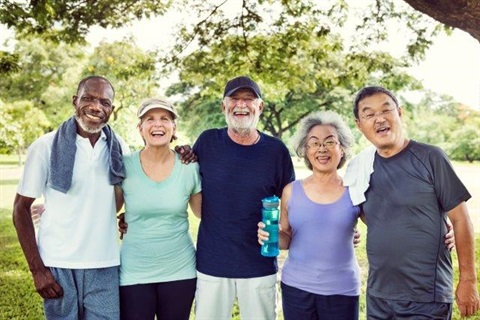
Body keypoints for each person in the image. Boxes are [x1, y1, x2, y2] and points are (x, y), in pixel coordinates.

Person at [350, 85, 480, 319]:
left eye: (386, 110)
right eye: (369, 114)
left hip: (426, 298)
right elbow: (366, 216)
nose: (379, 119)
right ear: (359, 125)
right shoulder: (360, 168)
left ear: (400, 113)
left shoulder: (430, 157)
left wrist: (468, 281)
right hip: (379, 296)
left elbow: (460, 219)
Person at [13, 75, 127, 319]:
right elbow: (20, 209)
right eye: (88, 98)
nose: (96, 107)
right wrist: (37, 270)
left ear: (112, 109)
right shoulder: (45, 146)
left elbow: (120, 199)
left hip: (105, 264)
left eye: (104, 102)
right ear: (75, 101)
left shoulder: (120, 148)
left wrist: (128, 216)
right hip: (58, 265)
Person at [192, 76, 296, 319]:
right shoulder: (207, 142)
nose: (241, 105)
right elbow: (181, 180)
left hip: (260, 263)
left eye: (249, 99)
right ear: (224, 106)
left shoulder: (276, 150)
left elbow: (294, 201)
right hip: (212, 263)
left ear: (260, 107)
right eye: (234, 99)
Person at [258, 110, 362, 319]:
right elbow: (287, 237)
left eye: (330, 142)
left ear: (341, 149)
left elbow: (382, 224)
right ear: (306, 150)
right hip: (296, 288)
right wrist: (272, 236)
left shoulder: (356, 190)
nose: (322, 149)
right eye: (314, 143)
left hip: (342, 290)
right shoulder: (290, 191)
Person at [115, 98, 201, 320]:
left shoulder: (189, 167)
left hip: (180, 269)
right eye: (150, 119)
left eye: (165, 119)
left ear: (174, 128)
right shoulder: (124, 165)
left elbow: (203, 213)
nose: (158, 125)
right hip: (134, 270)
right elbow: (107, 208)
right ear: (140, 129)